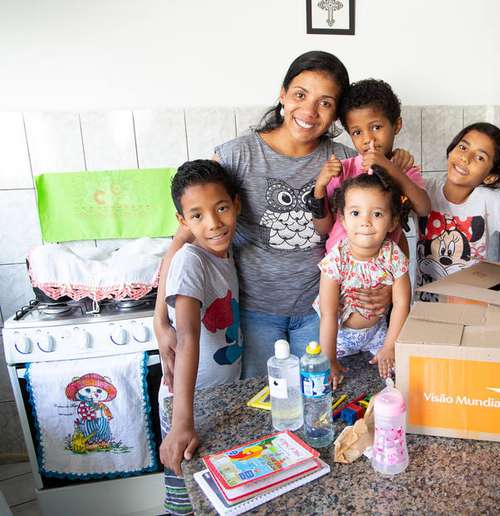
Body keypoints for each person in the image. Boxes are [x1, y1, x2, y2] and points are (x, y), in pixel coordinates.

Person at [154, 52, 410, 382]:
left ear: (336, 115)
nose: (309, 111)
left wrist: (389, 290)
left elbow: (387, 229)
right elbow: (182, 241)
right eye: (300, 95)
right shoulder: (237, 155)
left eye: (325, 103)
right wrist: (160, 321)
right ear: (283, 95)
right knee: (262, 405)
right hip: (253, 313)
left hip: (320, 314)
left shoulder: (347, 163)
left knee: (317, 400)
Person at [158, 159, 243, 515]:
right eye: (197, 216)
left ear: (236, 204)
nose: (213, 224)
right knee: (186, 505)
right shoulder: (192, 261)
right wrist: (182, 422)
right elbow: (188, 335)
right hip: (187, 406)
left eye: (221, 208)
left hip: (216, 398)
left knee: (216, 500)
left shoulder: (225, 251)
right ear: (183, 221)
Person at [416, 122, 500, 301]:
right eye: (462, 147)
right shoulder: (423, 189)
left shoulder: (490, 202)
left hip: (469, 307)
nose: (465, 158)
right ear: (451, 150)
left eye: (480, 157)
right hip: (424, 305)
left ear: (490, 176)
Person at [314, 172, 411, 389]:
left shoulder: (394, 255)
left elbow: (402, 305)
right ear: (343, 219)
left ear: (393, 221)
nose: (365, 222)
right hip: (340, 338)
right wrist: (328, 358)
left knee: (395, 383)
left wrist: (389, 347)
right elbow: (328, 312)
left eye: (377, 214)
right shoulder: (336, 259)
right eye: (356, 213)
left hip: (379, 334)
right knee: (333, 385)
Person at [311, 78, 429, 256]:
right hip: (342, 270)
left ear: (396, 125)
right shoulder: (343, 170)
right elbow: (323, 228)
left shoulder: (403, 168)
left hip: (384, 271)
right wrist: (319, 188)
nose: (368, 139)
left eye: (376, 127)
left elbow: (424, 209)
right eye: (357, 132)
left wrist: (392, 169)